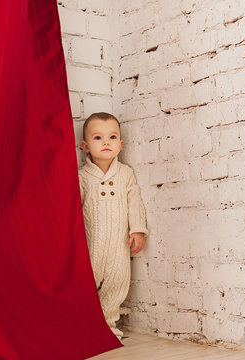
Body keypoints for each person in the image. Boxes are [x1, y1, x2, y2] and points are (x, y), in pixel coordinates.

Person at [78, 112, 148, 340]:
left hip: (119, 247)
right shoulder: (81, 177)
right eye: (98, 138)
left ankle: (107, 329)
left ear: (120, 144)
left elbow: (134, 202)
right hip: (91, 246)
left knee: (116, 287)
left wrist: (137, 229)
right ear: (85, 146)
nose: (106, 142)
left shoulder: (126, 174)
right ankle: (84, 327)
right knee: (84, 288)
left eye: (112, 137)